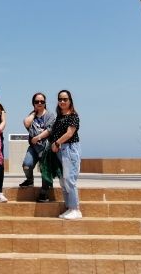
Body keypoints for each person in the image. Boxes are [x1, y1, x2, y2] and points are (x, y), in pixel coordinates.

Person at [49, 89, 81, 220]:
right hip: (59, 151)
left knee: (69, 180)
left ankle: (75, 209)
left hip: (69, 149)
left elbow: (69, 133)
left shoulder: (73, 116)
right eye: (60, 99)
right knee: (63, 181)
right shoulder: (60, 117)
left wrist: (56, 143)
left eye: (65, 99)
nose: (62, 101)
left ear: (70, 101)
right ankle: (69, 208)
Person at [20, 92, 56, 203]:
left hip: (46, 147)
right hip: (33, 148)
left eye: (42, 101)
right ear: (33, 103)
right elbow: (26, 123)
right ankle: (30, 180)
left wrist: (38, 137)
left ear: (45, 103)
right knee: (27, 165)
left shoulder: (50, 115)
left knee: (44, 170)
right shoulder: (32, 115)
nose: (39, 103)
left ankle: (44, 192)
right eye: (37, 102)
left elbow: (50, 130)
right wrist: (34, 113)